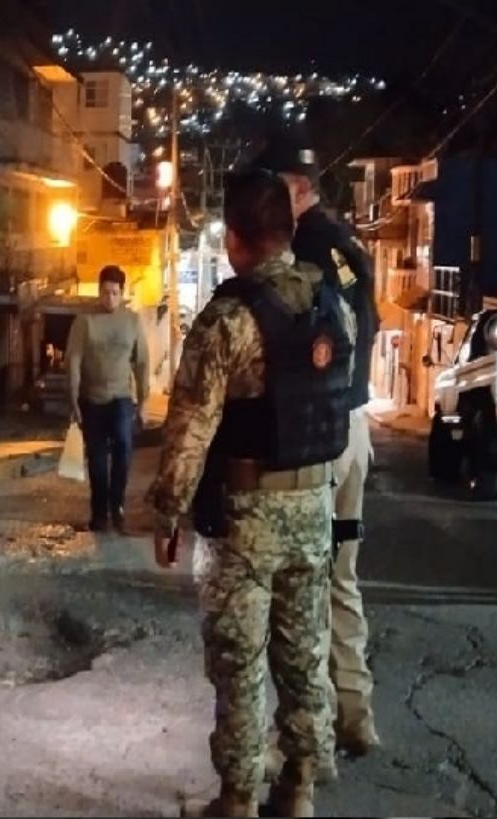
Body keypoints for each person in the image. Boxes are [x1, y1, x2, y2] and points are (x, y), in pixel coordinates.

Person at [146, 168, 355, 817]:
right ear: (288, 231)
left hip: (243, 520)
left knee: (239, 664)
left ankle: (237, 798)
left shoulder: (228, 320)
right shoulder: (333, 307)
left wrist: (168, 510)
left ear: (234, 237)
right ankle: (299, 789)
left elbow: (190, 429)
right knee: (305, 655)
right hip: (313, 510)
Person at [253, 131, 383, 766]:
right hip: (355, 430)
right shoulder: (349, 246)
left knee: (302, 588)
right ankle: (357, 716)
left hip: (320, 437)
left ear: (297, 188)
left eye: (275, 186)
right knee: (341, 577)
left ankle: (309, 741)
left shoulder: (303, 249)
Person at [66, 264, 150, 534]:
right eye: (105, 292)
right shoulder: (85, 321)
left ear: (122, 293)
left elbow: (142, 362)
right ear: (99, 291)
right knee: (98, 459)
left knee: (123, 449)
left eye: (114, 293)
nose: (109, 298)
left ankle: (118, 507)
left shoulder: (132, 321)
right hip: (92, 399)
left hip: (121, 398)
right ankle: (99, 513)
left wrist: (144, 402)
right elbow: (74, 360)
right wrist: (73, 399)